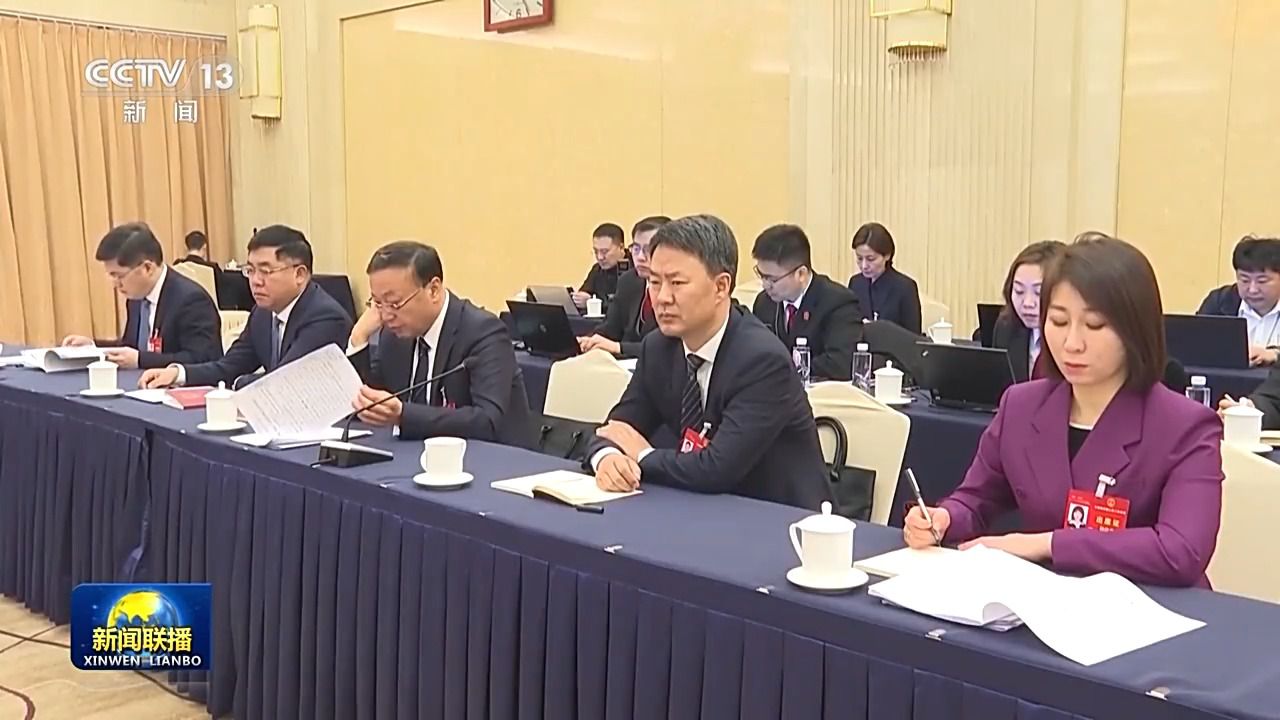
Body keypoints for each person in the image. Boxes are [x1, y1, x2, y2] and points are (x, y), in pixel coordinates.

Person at [904, 233, 1223, 588]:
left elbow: (1180, 551)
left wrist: (1047, 544)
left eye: (1095, 325)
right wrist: (944, 518)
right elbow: (977, 498)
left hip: (1150, 607)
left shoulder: (1184, 426)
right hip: (1041, 599)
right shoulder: (1021, 405)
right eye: (1057, 322)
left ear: (1135, 330)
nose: (1072, 343)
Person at [585, 214, 833, 510]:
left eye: (677, 283)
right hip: (696, 508)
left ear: (721, 287)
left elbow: (716, 469)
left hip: (779, 518)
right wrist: (608, 458)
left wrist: (641, 454)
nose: (662, 297)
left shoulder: (763, 361)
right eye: (654, 281)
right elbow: (614, 428)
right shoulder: (659, 347)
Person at [346, 241, 536, 448]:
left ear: (433, 290)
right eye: (377, 303)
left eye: (394, 303)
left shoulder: (483, 332)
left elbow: (486, 421)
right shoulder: (393, 335)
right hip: (417, 454)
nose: (386, 315)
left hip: (493, 458)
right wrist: (358, 339)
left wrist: (404, 414)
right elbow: (371, 404)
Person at [138, 225, 351, 389]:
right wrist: (177, 374)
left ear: (300, 275)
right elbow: (229, 365)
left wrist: (240, 382)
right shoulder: (262, 313)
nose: (255, 281)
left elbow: (283, 382)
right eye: (250, 270)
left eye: (265, 271)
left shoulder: (325, 318)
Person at [62, 222, 222, 369]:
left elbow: (201, 359)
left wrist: (140, 360)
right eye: (111, 276)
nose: (115, 284)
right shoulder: (136, 298)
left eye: (119, 276)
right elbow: (130, 347)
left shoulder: (191, 300)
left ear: (147, 268)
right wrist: (93, 347)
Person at [750, 224, 863, 380]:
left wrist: (783, 369)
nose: (765, 285)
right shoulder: (764, 303)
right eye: (761, 275)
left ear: (801, 274)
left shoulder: (838, 302)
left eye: (772, 279)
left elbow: (841, 363)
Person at [578, 216, 669, 358]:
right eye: (636, 248)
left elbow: (668, 347)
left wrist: (618, 347)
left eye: (648, 249)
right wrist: (589, 341)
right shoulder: (628, 281)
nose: (640, 257)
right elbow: (611, 327)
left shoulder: (676, 290)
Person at [1197, 235, 1280, 366]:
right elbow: (1196, 345)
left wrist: (1275, 355)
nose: (1252, 289)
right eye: (1244, 280)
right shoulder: (1219, 302)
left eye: (1262, 281)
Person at [991, 240, 1065, 381]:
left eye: (1038, 292)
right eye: (1019, 291)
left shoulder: (1074, 338)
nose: (1028, 303)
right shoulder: (1007, 327)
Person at [848, 222, 922, 334]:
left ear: (887, 255)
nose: (864, 265)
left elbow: (913, 335)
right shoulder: (855, 283)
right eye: (859, 258)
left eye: (870, 259)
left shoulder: (905, 287)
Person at [572, 222, 629, 310]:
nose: (600, 257)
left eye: (604, 252)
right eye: (596, 251)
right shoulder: (597, 269)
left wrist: (592, 303)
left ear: (621, 247)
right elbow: (585, 292)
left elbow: (627, 306)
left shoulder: (636, 268)